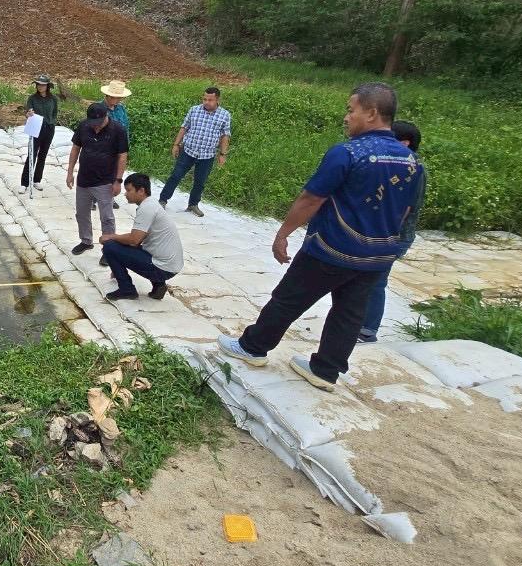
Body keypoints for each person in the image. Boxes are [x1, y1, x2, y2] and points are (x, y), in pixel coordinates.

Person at [216, 84, 421, 391]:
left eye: (351, 110)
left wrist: (283, 234)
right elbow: (405, 211)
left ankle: (253, 348)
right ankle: (325, 370)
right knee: (349, 314)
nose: (346, 117)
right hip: (377, 257)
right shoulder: (412, 162)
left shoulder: (348, 153)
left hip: (332, 248)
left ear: (372, 113)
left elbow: (311, 199)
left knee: (287, 299)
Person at [359, 121, 426, 343]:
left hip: (393, 236)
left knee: (375, 281)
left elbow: (403, 210)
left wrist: (382, 239)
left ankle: (367, 331)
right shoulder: (398, 165)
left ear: (405, 143)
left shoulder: (413, 168)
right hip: (383, 234)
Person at [100, 173, 184, 301]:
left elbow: (134, 239)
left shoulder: (147, 208)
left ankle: (126, 289)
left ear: (141, 191)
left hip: (163, 267)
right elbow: (136, 241)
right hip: (170, 265)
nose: (125, 194)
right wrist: (118, 263)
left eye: (128, 190)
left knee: (110, 246)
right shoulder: (152, 205)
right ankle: (158, 285)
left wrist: (111, 237)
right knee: (120, 246)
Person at [65, 102, 129, 256]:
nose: (95, 127)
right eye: (93, 124)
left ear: (106, 117)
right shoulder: (84, 126)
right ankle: (86, 241)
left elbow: (122, 156)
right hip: (84, 178)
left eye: (98, 124)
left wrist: (118, 181)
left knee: (106, 217)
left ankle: (108, 249)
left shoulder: (118, 130)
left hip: (105, 180)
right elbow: (75, 148)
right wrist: (70, 172)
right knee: (81, 213)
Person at [159, 86, 231, 217]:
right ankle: (163, 200)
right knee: (176, 176)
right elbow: (184, 128)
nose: (206, 102)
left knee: (200, 181)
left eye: (210, 100)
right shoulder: (194, 110)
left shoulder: (225, 115)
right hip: (188, 151)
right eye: (204, 99)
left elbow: (225, 135)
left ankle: (193, 204)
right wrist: (176, 144)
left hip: (207, 155)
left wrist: (222, 154)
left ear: (217, 100)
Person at [21, 73, 59, 190]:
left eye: (43, 85)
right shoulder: (32, 99)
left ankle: (37, 180)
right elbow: (28, 111)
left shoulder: (53, 99)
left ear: (48, 86)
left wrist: (51, 122)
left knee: (43, 155)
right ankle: (24, 183)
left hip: (49, 129)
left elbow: (55, 113)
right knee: (31, 155)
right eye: (38, 85)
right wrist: (29, 114)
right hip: (35, 128)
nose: (40, 87)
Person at [101, 80, 131, 209]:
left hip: (118, 147)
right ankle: (93, 198)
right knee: (98, 171)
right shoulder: (99, 108)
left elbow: (126, 127)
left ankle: (110, 197)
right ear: (108, 96)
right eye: (115, 97)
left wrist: (126, 145)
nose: (117, 100)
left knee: (114, 173)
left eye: (119, 97)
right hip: (103, 146)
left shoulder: (121, 109)